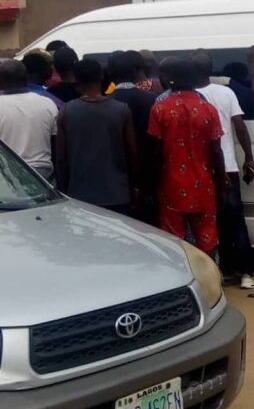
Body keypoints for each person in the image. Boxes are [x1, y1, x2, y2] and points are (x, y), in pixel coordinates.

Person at [192, 50, 254, 291]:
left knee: (211, 222)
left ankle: (222, 271)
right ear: (211, 69)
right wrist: (249, 158)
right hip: (228, 168)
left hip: (201, 171)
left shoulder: (188, 97)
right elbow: (240, 127)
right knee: (235, 222)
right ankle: (246, 273)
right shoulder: (225, 92)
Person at [148, 58, 227, 258]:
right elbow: (217, 152)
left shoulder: (160, 108)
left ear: (171, 79)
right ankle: (210, 280)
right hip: (204, 185)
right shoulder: (208, 109)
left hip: (171, 185)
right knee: (207, 237)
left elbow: (155, 153)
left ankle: (184, 282)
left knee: (174, 241)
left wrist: (152, 185)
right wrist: (222, 185)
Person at [56, 59, 139, 216]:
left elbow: (61, 157)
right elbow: (132, 153)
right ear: (101, 76)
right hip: (117, 193)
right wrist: (134, 186)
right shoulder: (121, 110)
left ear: (76, 79)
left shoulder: (66, 111)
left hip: (80, 193)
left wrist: (63, 188)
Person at [108, 51, 159, 224]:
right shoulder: (150, 99)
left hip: (116, 175)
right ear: (136, 72)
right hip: (147, 172)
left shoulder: (106, 101)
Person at [0, 60, 58, 181]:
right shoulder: (47, 103)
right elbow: (55, 143)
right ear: (26, 78)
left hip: (8, 176)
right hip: (43, 175)